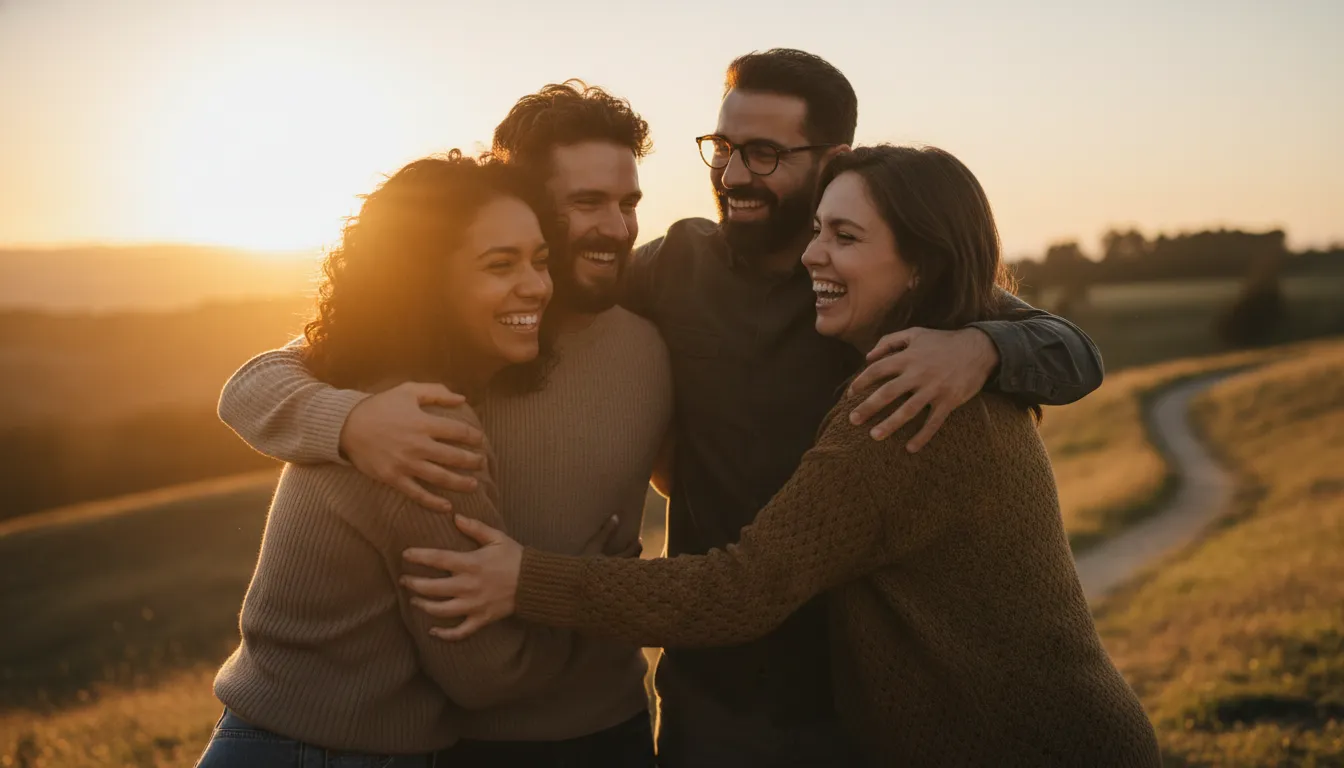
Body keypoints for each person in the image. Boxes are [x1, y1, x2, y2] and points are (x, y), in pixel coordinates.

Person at [221, 52, 1104, 766]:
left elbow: (1070, 349)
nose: (735, 173)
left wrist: (986, 347)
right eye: (723, 148)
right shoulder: (662, 277)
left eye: (766, 154)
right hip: (703, 697)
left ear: (830, 161)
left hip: (843, 688)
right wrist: (349, 422)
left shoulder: (857, 284)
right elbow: (268, 377)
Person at [399, 145, 1163, 767]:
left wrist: (525, 578)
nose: (812, 256)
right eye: (819, 230)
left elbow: (739, 591)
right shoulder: (920, 363)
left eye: (845, 238)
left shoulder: (906, 405)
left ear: (921, 266)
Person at [215, 83, 671, 765]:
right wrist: (351, 422)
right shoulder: (426, 377)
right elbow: (249, 386)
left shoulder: (650, 331)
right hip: (455, 742)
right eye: (586, 203)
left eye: (628, 203)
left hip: (605, 726)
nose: (617, 227)